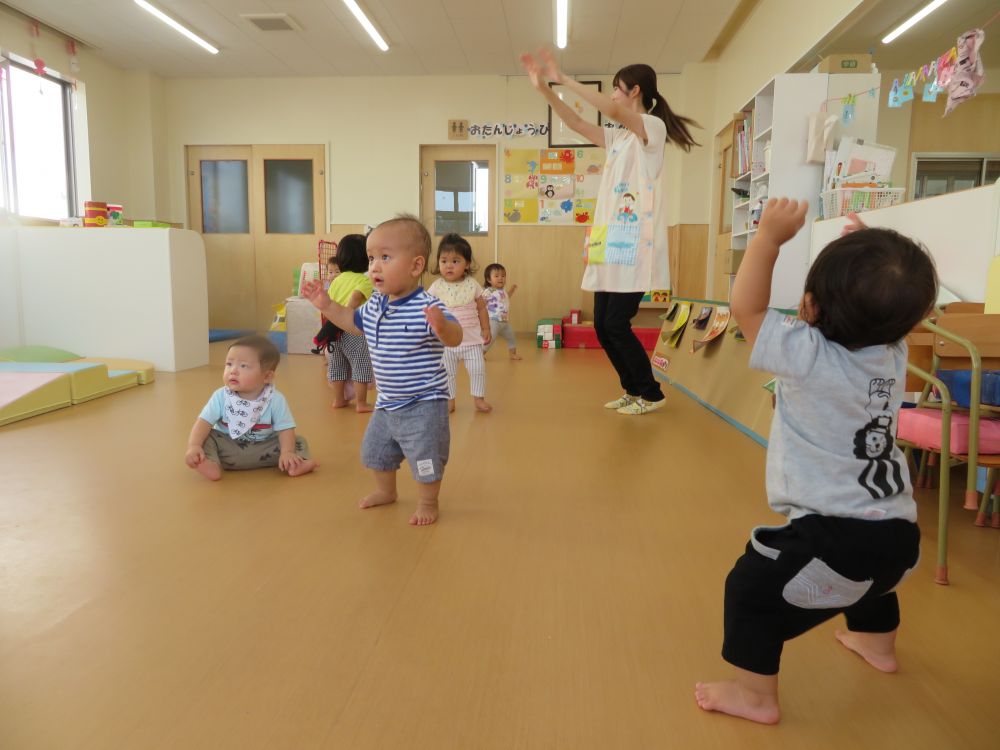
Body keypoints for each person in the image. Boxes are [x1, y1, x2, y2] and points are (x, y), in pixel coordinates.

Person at [695, 198, 937, 724]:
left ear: (809, 308)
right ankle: (877, 646)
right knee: (872, 581)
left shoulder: (805, 353)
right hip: (900, 534)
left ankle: (755, 697)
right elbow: (890, 301)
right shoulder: (892, 352)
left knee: (751, 590)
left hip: (836, 537)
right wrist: (867, 244)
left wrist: (767, 240)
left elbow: (747, 309)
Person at [521, 49, 699, 415]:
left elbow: (616, 112)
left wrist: (566, 78)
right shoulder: (619, 139)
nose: (614, 96)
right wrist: (545, 90)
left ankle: (651, 393)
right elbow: (575, 123)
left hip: (635, 248)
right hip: (609, 245)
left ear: (634, 91)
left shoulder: (651, 126)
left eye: (617, 89)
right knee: (603, 326)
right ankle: (632, 390)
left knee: (616, 323)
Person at [301, 215, 464, 526]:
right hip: (387, 402)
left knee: (426, 458)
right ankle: (386, 491)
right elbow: (352, 323)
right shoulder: (375, 305)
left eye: (385, 257)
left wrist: (442, 327)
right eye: (371, 258)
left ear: (416, 266)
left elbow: (455, 337)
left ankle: (429, 501)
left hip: (424, 403)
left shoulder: (427, 307)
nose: (373, 266)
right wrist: (326, 305)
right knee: (375, 452)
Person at [185, 334, 317, 480]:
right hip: (229, 449)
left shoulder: (275, 399)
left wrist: (287, 452)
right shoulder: (221, 396)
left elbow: (285, 428)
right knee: (206, 436)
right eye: (229, 364)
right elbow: (203, 422)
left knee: (297, 440)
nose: (233, 371)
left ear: (267, 376)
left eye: (243, 366)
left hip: (265, 450)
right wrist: (194, 446)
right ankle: (210, 465)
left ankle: (297, 463)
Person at [427, 234, 493, 413]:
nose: (449, 265)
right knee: (447, 373)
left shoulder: (473, 285)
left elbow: (481, 309)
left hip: (471, 340)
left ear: (467, 264)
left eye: (455, 261)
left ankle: (479, 399)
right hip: (446, 342)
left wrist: (486, 328)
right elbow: (429, 311)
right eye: (444, 260)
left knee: (477, 370)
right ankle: (449, 401)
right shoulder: (436, 287)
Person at [324, 234, 374, 413]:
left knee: (337, 364)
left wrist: (336, 319)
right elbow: (356, 297)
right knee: (360, 364)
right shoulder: (364, 280)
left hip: (334, 330)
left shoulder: (336, 280)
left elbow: (328, 302)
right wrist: (348, 312)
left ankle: (339, 400)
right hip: (354, 329)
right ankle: (361, 403)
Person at [482, 262, 521, 360]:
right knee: (490, 339)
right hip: (493, 320)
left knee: (511, 337)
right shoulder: (488, 291)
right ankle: (480, 354)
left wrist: (512, 290)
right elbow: (481, 303)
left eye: (503, 276)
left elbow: (506, 298)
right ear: (489, 279)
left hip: (504, 322)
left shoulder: (503, 291)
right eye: (497, 276)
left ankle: (512, 354)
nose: (501, 278)